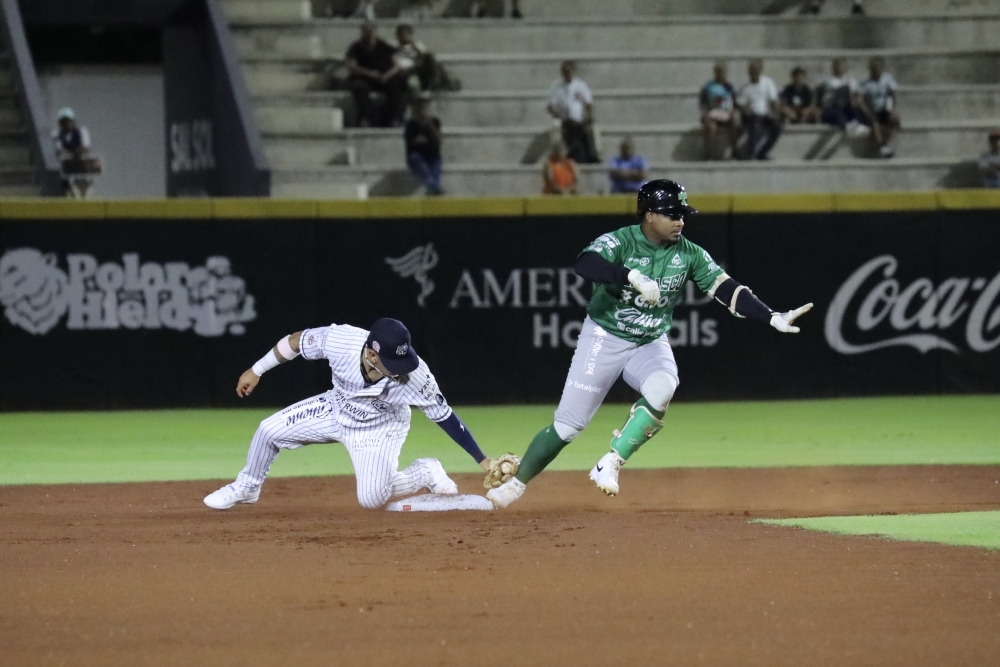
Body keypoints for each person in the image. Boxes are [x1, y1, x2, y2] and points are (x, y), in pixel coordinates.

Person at [486, 180, 813, 509]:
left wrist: (770, 316)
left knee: (664, 386)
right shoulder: (622, 240)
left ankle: (611, 462)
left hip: (649, 340)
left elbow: (727, 290)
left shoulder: (689, 253)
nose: (680, 221)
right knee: (568, 426)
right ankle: (516, 483)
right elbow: (585, 263)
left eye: (683, 214)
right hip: (604, 337)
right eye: (672, 214)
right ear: (649, 215)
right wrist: (631, 275)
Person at [204, 318, 496, 511]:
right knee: (268, 430)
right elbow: (295, 342)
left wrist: (482, 460)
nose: (402, 367)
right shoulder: (340, 340)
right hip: (335, 407)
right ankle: (247, 487)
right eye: (394, 362)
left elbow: (445, 416)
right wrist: (257, 370)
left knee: (371, 500)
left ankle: (426, 470)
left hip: (380, 426)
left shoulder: (415, 375)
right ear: (372, 355)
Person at [345, 22, 407, 127]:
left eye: (372, 31)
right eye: (367, 31)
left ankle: (394, 119)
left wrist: (386, 75)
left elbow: (396, 65)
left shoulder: (384, 46)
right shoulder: (356, 47)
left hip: (384, 78)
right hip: (364, 78)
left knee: (396, 88)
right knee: (359, 89)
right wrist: (370, 73)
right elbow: (352, 66)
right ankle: (365, 120)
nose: (370, 34)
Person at [546, 60, 599, 164]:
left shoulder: (581, 85)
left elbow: (589, 104)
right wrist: (558, 115)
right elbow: (549, 106)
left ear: (573, 71)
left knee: (594, 128)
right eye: (564, 71)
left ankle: (596, 155)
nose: (567, 74)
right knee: (554, 127)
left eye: (569, 71)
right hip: (563, 119)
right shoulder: (556, 87)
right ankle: (556, 156)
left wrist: (588, 117)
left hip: (579, 120)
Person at [736, 58, 782, 160]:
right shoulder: (745, 88)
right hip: (752, 116)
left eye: (756, 69)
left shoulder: (768, 82)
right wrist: (747, 110)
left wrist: (774, 113)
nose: (753, 72)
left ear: (760, 70)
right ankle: (751, 152)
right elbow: (741, 105)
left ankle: (763, 152)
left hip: (766, 114)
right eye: (751, 70)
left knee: (777, 126)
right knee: (754, 124)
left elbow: (773, 100)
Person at [395, 24, 460, 93]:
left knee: (431, 58)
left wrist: (415, 47)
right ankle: (442, 82)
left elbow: (425, 56)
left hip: (421, 70)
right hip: (409, 72)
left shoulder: (417, 45)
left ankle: (439, 82)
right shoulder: (395, 49)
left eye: (406, 34)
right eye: (401, 35)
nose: (404, 37)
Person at [857, 57, 900, 158]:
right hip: (872, 110)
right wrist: (867, 112)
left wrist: (892, 110)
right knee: (874, 123)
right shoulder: (865, 84)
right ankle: (883, 147)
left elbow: (892, 95)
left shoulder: (888, 79)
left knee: (894, 121)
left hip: (884, 109)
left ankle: (885, 145)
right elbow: (861, 101)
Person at [52, 107, 98, 199]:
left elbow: (85, 148)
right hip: (66, 166)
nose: (66, 124)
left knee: (84, 189)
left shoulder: (81, 131)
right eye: (63, 122)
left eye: (68, 121)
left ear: (73, 121)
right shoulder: (57, 134)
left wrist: (72, 153)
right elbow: (57, 150)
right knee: (69, 190)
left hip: (80, 165)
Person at [699, 61, 741, 160]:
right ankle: (708, 154)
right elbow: (702, 103)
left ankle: (735, 150)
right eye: (719, 71)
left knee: (736, 120)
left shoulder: (729, 87)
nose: (721, 74)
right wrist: (705, 113)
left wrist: (734, 111)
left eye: (723, 72)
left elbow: (735, 103)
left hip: (727, 114)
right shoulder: (708, 86)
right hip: (713, 115)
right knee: (710, 126)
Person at [817, 58, 867, 137]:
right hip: (831, 109)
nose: (839, 68)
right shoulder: (828, 81)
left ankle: (856, 124)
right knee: (837, 112)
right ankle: (848, 126)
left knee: (854, 109)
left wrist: (856, 100)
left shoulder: (850, 81)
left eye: (842, 66)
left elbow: (858, 95)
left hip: (847, 108)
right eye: (837, 66)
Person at [405, 97, 444, 196]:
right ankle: (434, 187)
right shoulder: (411, 124)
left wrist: (429, 126)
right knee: (419, 162)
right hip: (417, 155)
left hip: (432, 155)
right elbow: (411, 142)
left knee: (435, 166)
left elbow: (438, 139)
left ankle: (434, 187)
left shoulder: (434, 122)